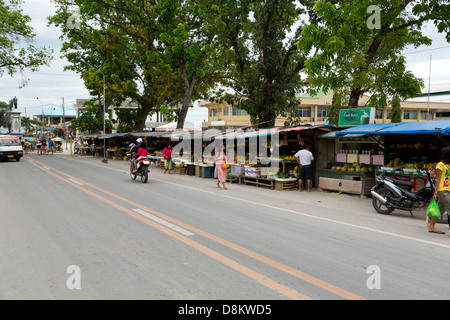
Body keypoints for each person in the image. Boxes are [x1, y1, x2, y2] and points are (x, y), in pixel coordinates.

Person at [429, 147, 450, 234]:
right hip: (443, 190)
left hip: (448, 189)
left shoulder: (448, 165)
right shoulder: (440, 164)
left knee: (440, 210)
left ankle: (431, 227)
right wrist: (435, 193)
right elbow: (438, 179)